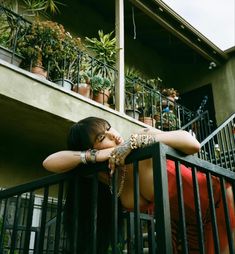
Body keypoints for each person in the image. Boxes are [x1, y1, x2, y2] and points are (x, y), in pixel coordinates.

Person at [43, 116, 235, 254]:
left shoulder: (139, 140)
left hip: (218, 204)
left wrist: (136, 142)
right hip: (183, 225)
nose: (113, 135)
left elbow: (192, 143)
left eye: (109, 128)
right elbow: (49, 162)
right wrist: (97, 156)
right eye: (102, 137)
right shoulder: (108, 180)